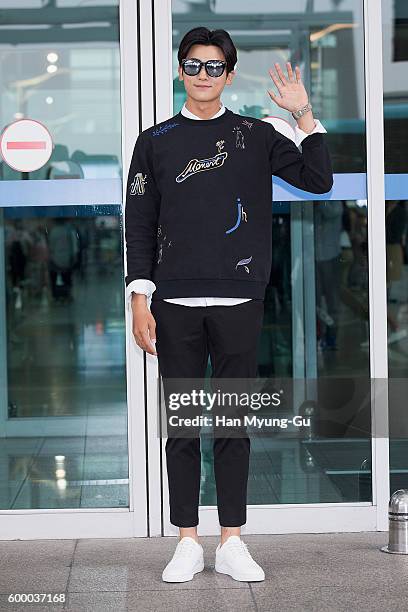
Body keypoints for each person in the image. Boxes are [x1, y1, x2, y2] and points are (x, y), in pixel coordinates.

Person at [125, 27, 333, 583]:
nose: (203, 76)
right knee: (185, 426)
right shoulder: (156, 140)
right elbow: (140, 224)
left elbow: (317, 178)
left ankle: (233, 540)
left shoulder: (256, 134)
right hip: (174, 302)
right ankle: (188, 540)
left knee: (233, 424)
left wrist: (304, 113)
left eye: (214, 67)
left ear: (229, 75)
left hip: (239, 298)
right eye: (193, 65)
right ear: (180, 70)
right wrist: (139, 297)